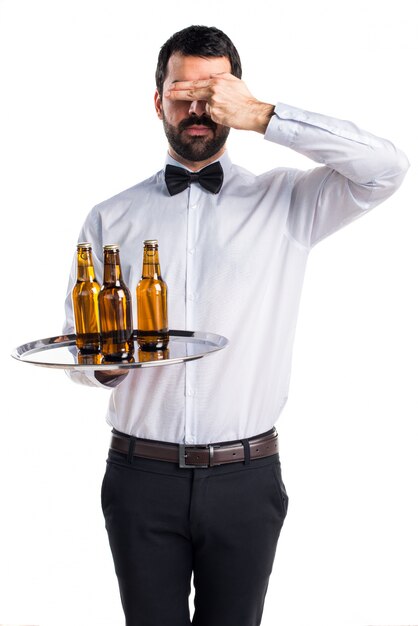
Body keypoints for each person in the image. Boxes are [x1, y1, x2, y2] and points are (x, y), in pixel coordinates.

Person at [63, 24, 409, 626]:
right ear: (157, 101)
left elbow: (386, 168)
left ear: (236, 97)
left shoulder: (290, 201)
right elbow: (83, 348)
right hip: (139, 478)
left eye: (214, 91)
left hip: (245, 479)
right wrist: (104, 368)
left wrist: (265, 116)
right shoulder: (110, 216)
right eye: (181, 92)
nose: (197, 108)